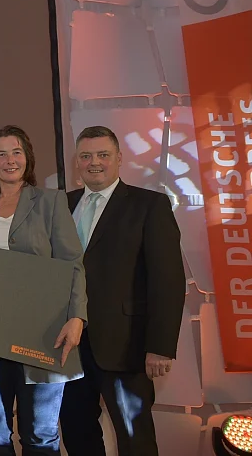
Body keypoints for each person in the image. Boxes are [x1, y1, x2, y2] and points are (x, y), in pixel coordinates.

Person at [0, 125, 87, 456]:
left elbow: (72, 263)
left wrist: (77, 317)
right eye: (1, 154)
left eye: (16, 152)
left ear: (27, 158)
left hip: (43, 331)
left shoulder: (52, 201)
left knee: (41, 435)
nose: (10, 160)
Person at [59, 126, 185, 456]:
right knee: (77, 432)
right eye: (86, 156)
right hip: (69, 346)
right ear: (77, 162)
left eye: (103, 155)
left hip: (126, 346)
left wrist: (160, 346)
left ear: (119, 159)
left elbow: (168, 280)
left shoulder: (149, 205)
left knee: (134, 439)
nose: (94, 162)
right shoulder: (61, 205)